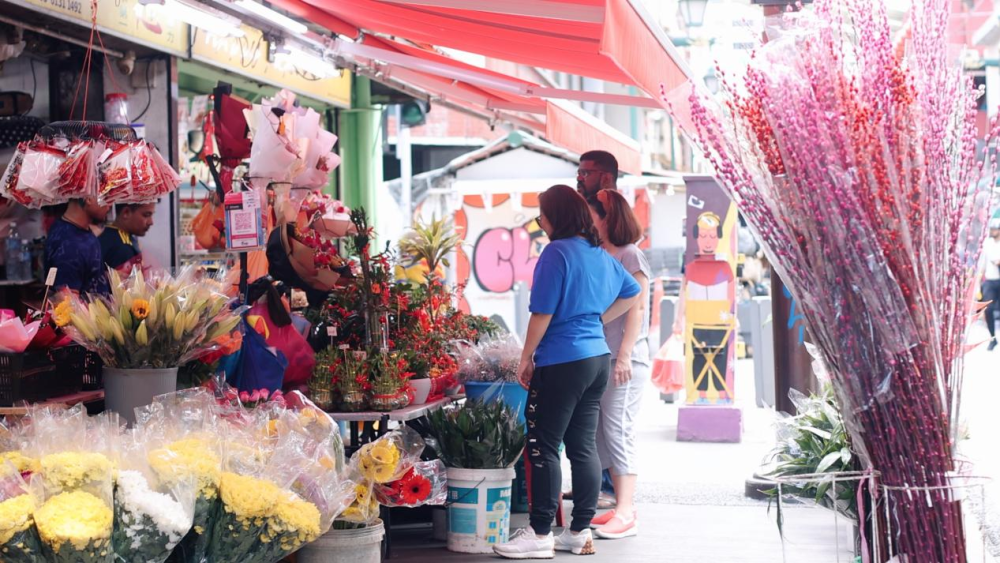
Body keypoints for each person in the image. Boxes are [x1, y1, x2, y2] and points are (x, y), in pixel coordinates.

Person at [493, 185, 640, 560]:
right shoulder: (600, 254)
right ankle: (578, 532)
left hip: (562, 360)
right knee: (583, 446)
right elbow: (633, 290)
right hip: (596, 360)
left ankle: (541, 532)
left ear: (556, 216)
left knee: (543, 445)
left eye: (543, 213)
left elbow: (541, 313)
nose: (540, 220)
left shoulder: (556, 252)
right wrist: (595, 319)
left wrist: (526, 358)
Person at [585, 189, 650, 540]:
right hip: (602, 355)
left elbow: (636, 307)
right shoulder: (603, 252)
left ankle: (627, 511)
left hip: (625, 358)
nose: (591, 220)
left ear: (608, 217)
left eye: (595, 214)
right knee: (599, 430)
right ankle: (620, 507)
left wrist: (624, 354)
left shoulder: (630, 255)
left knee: (617, 428)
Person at [44, 197, 111, 296]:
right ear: (89, 198)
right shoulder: (69, 244)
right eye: (106, 196)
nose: (109, 206)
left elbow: (89, 276)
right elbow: (68, 302)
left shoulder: (79, 230)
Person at [100, 202, 155, 275]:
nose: (151, 222)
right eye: (146, 215)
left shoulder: (108, 234)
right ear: (126, 212)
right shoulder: (121, 247)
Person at [981, 219, 1000, 350]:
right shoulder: (987, 244)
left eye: (995, 229)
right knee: (988, 309)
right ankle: (992, 337)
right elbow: (983, 262)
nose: (992, 231)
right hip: (990, 279)